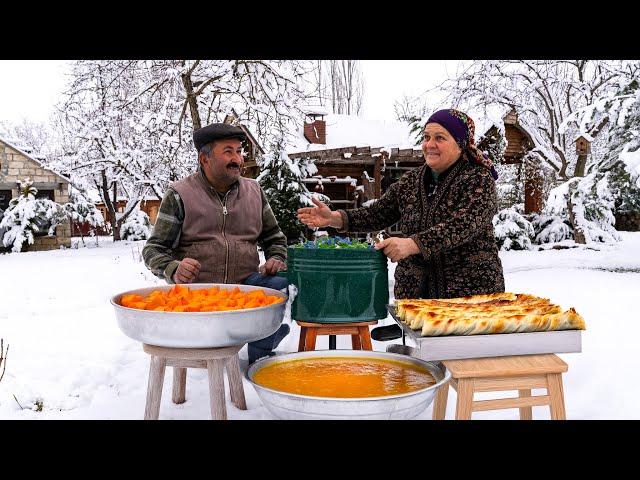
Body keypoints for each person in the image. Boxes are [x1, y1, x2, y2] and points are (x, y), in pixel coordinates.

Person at [297, 109, 505, 340]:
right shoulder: (412, 181)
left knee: (464, 370)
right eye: (426, 137)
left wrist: (413, 244)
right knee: (420, 373)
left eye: (440, 137)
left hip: (468, 300)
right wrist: (336, 218)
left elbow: (466, 224)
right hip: (418, 303)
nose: (430, 144)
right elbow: (378, 213)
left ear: (461, 144)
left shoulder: (478, 179)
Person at [142, 123, 290, 363]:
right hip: (199, 292)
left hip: (245, 288)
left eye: (239, 151)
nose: (237, 159)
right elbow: (153, 250)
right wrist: (174, 268)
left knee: (287, 285)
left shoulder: (254, 192)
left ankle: (260, 358)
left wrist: (276, 258)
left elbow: (275, 237)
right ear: (205, 158)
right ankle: (207, 355)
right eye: (228, 151)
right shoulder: (180, 194)